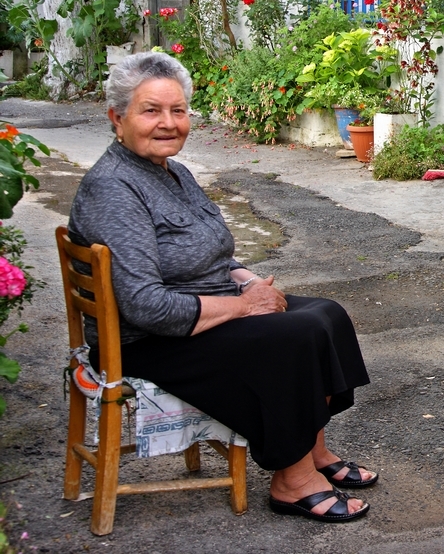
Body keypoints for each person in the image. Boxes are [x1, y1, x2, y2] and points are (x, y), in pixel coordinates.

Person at [68, 52, 375, 523]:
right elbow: (145, 306)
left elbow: (212, 253)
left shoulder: (174, 172)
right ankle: (292, 481)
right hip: (153, 340)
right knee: (293, 337)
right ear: (117, 118)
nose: (168, 123)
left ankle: (313, 450)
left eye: (178, 110)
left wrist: (251, 283)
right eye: (151, 111)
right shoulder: (114, 188)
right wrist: (242, 308)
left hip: (202, 310)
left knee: (325, 314)